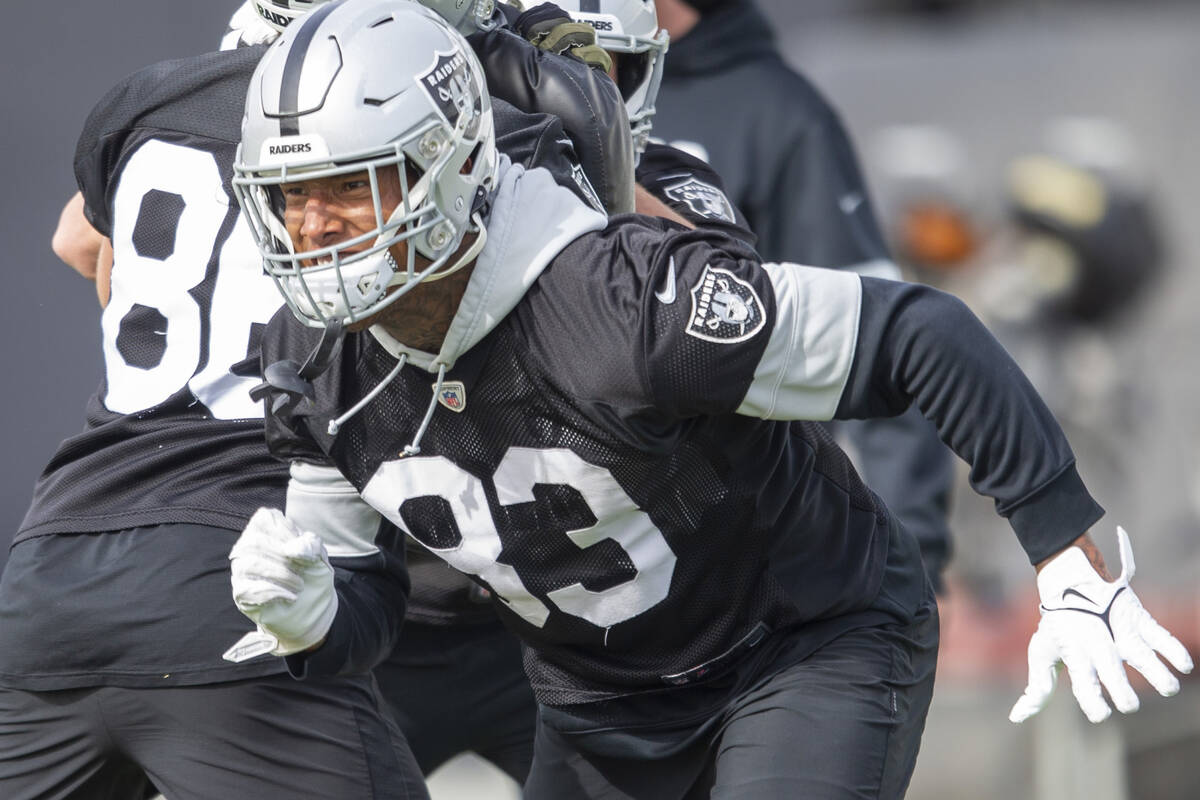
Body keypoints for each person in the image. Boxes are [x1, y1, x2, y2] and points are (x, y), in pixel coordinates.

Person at [229, 2, 1192, 798]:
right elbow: (361, 607)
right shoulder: (316, 361)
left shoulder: (617, 299)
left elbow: (921, 334)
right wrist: (312, 614)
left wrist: (1066, 550)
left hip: (796, 642)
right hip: (598, 700)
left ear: (442, 164)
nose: (311, 231)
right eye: (287, 198)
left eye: (346, 188)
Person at [0, 0, 632, 797]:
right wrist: (582, 104)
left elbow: (82, 243)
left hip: (54, 568)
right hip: (254, 565)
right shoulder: (472, 129)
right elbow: (596, 300)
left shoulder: (154, 99)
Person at [649, 0, 956, 591]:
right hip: (545, 559)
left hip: (737, 571)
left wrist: (907, 571)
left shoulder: (779, 113)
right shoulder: (546, 92)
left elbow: (885, 344)